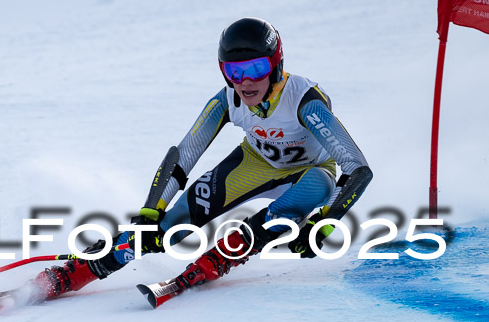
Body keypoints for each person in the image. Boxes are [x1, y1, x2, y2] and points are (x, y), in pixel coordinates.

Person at [34, 17, 373, 298]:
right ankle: (78, 271)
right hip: (252, 164)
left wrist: (326, 220)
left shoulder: (304, 100)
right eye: (234, 71)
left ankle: (224, 255)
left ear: (276, 64)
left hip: (311, 172)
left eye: (256, 68)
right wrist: (153, 210)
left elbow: (357, 169)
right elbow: (184, 155)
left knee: (305, 192)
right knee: (167, 227)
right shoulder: (228, 99)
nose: (246, 82)